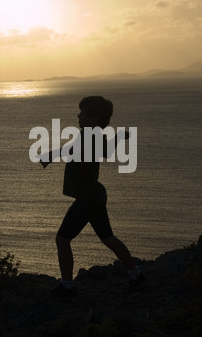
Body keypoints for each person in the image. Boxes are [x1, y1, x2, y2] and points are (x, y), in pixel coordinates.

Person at [40, 96, 147, 298]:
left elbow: (104, 151)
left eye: (83, 113)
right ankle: (136, 274)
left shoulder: (92, 135)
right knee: (108, 238)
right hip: (93, 197)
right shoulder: (88, 134)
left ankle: (67, 287)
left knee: (62, 239)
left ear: (93, 118)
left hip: (88, 198)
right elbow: (74, 149)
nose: (78, 115)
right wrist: (51, 156)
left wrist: (117, 137)